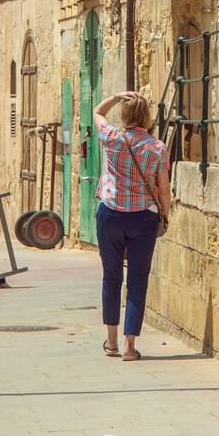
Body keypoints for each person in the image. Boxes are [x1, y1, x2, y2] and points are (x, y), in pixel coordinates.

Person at [93, 90, 171, 361]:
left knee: (111, 278)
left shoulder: (112, 138)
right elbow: (163, 190)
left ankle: (111, 342)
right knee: (137, 281)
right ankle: (129, 346)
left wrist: (117, 97)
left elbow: (98, 113)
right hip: (143, 218)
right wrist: (166, 214)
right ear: (147, 118)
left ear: (125, 116)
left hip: (110, 215)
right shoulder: (157, 148)